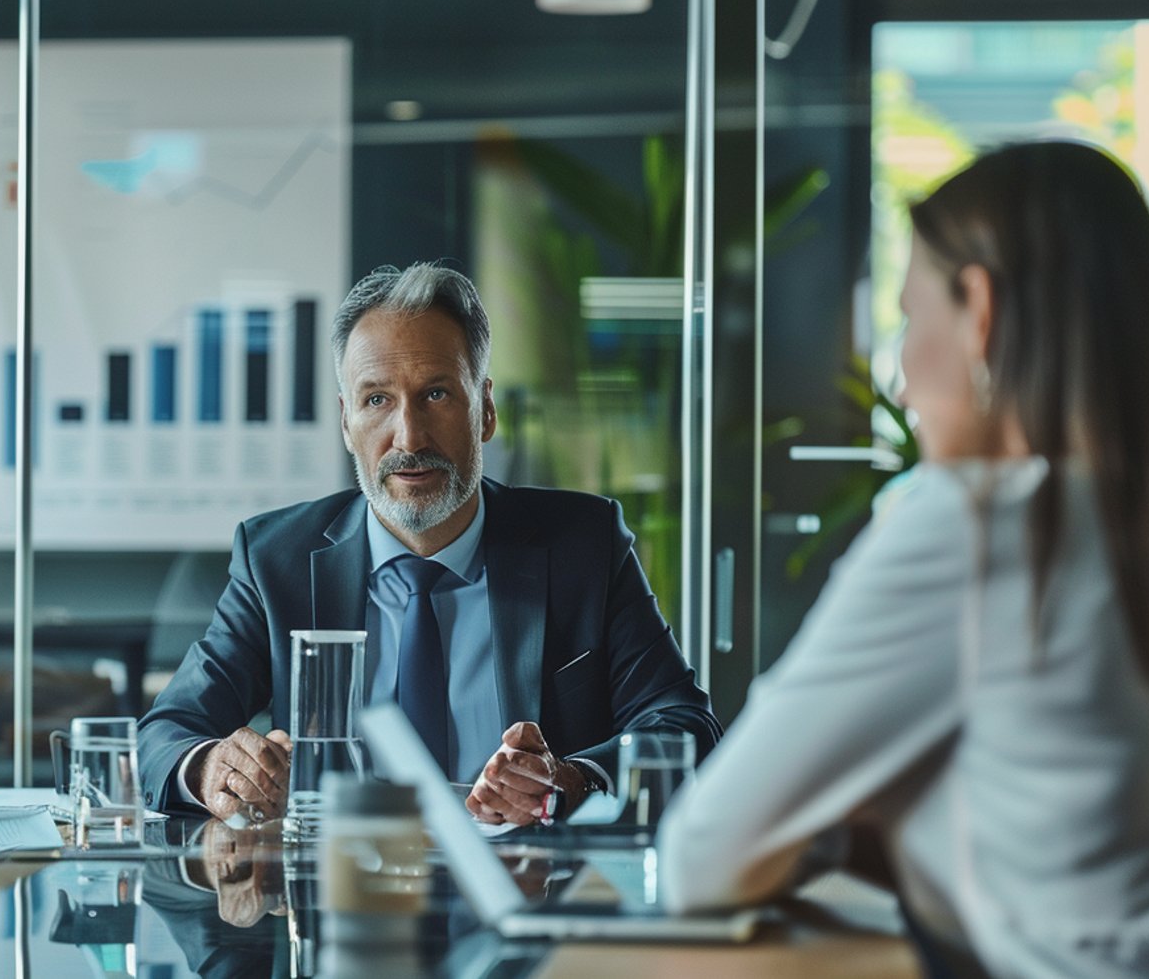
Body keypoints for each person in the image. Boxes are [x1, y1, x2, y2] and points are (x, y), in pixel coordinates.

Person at [657, 142, 1149, 978]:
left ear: (979, 309)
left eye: (905, 316)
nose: (896, 381)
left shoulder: (981, 529)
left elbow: (700, 860)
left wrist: (846, 817)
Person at [138, 261, 721, 824]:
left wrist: (575, 778)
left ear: (485, 409)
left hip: (525, 895)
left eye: (437, 394)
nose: (409, 436)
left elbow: (684, 725)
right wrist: (212, 766)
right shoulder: (277, 559)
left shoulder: (583, 546)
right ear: (346, 422)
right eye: (377, 400)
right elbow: (167, 735)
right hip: (340, 897)